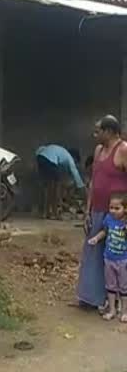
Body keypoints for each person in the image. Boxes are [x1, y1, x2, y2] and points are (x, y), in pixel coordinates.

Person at [78, 115, 127, 310]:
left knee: (115, 256)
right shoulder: (98, 150)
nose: (95, 134)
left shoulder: (123, 149)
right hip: (97, 211)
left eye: (98, 131)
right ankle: (92, 297)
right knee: (93, 252)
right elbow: (93, 182)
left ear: (109, 132)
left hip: (117, 215)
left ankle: (114, 301)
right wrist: (87, 210)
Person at [87, 192, 127, 321]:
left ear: (125, 209)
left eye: (117, 208)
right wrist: (96, 238)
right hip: (109, 259)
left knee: (124, 287)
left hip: (123, 261)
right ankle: (112, 310)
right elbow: (105, 231)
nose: (113, 211)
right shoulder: (109, 219)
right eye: (111, 208)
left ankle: (124, 312)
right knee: (110, 286)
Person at [35, 144, 86, 219]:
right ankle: (55, 214)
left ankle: (46, 213)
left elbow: (40, 150)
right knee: (55, 188)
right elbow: (76, 174)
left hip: (40, 158)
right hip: (50, 161)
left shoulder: (61, 153)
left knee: (48, 189)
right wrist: (83, 189)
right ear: (74, 158)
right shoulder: (69, 158)